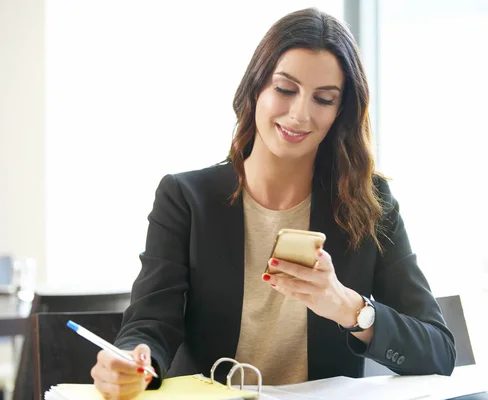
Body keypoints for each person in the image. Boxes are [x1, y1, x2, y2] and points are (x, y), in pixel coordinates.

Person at [90, 7, 456, 399]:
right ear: (256, 87)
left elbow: (439, 350)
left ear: (340, 112)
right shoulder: (185, 199)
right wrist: (132, 359)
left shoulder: (369, 203)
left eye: (324, 99)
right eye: (285, 90)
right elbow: (150, 323)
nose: (299, 114)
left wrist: (347, 307)